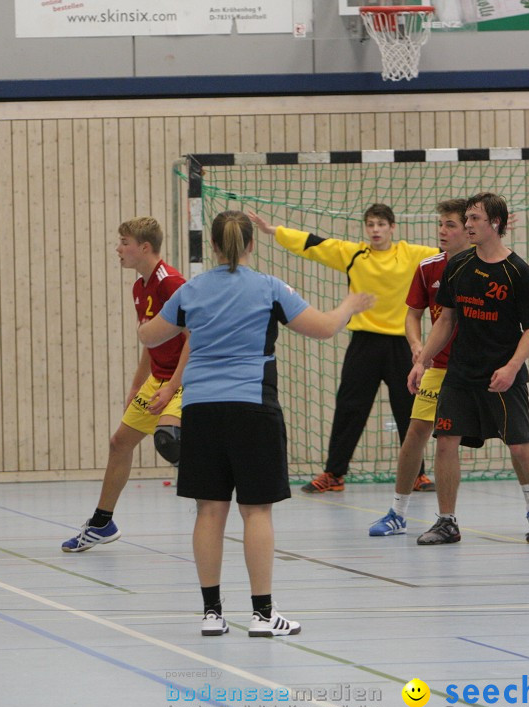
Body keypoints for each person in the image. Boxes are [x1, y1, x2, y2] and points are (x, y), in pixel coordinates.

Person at [137, 210, 374, 637]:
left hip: (203, 411)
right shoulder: (268, 288)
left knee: (209, 510)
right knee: (256, 511)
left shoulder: (191, 290)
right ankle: (263, 616)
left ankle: (212, 613)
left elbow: (151, 336)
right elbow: (321, 329)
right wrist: (350, 306)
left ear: (212, 245)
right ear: (251, 244)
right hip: (252, 408)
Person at [249, 205, 439, 494]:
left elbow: (451, 252)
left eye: (381, 224)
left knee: (409, 410)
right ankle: (334, 473)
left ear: (392, 227)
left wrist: (490, 235)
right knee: (350, 408)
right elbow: (314, 244)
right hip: (364, 342)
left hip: (401, 344)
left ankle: (417, 475)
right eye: (370, 224)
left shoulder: (413, 255)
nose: (375, 230)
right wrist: (273, 231)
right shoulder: (353, 254)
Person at [408, 193, 529, 544]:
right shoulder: (458, 267)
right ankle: (446, 521)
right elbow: (446, 320)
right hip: (461, 373)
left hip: (502, 376)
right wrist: (422, 360)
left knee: (520, 446)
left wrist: (511, 367)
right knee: (446, 441)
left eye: (474, 219)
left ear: (495, 223)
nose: (467, 225)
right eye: (467, 218)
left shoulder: (517, 271)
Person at [62, 217, 189, 552]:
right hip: (159, 378)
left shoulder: (171, 283)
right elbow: (153, 342)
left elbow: (196, 338)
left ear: (144, 247)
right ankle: (102, 523)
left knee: (169, 440)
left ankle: (215, 508)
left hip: (187, 375)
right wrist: (138, 385)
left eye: (124, 242)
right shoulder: (139, 287)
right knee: (120, 443)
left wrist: (173, 386)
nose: (118, 249)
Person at [368, 199, 472, 536]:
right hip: (441, 367)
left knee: (517, 441)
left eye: (450, 225)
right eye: (440, 224)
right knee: (418, 433)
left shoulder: (487, 266)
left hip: (483, 369)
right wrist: (418, 349)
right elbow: (413, 314)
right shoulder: (429, 268)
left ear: (470, 230)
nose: (442, 231)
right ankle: (399, 512)